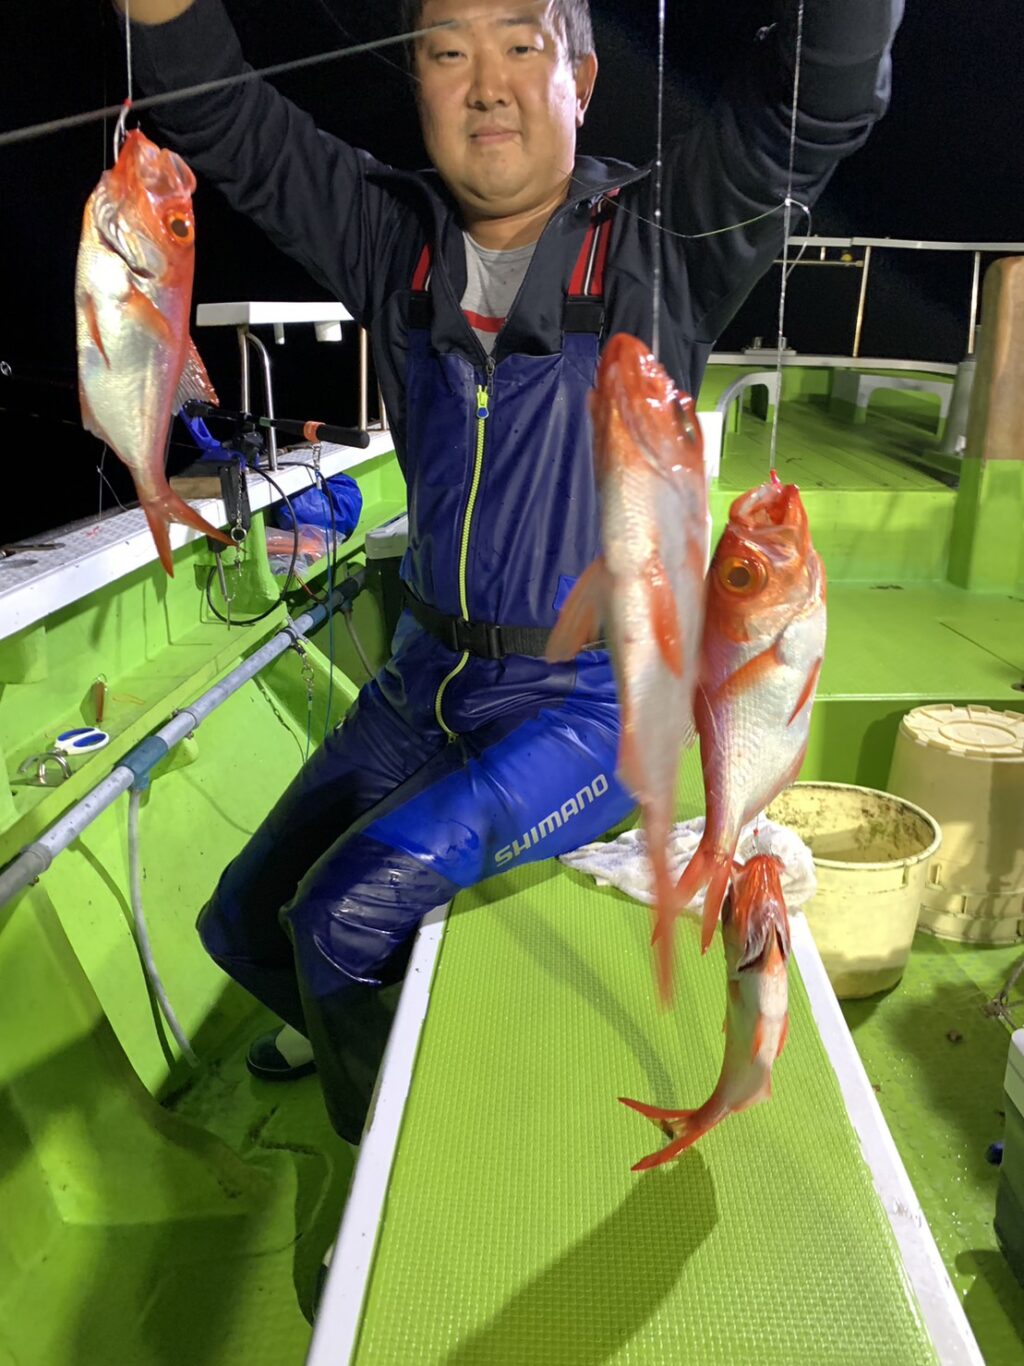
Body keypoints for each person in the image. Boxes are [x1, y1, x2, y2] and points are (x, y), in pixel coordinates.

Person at [124, 0, 903, 1146]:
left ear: (579, 79)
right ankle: (384, 1039)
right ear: (418, 83)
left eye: (519, 45)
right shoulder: (388, 235)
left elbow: (817, 100)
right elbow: (222, 116)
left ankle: (393, 1147)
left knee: (336, 920)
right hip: (421, 678)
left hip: (582, 705)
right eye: (448, 52)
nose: (484, 82)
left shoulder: (661, 241)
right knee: (239, 922)